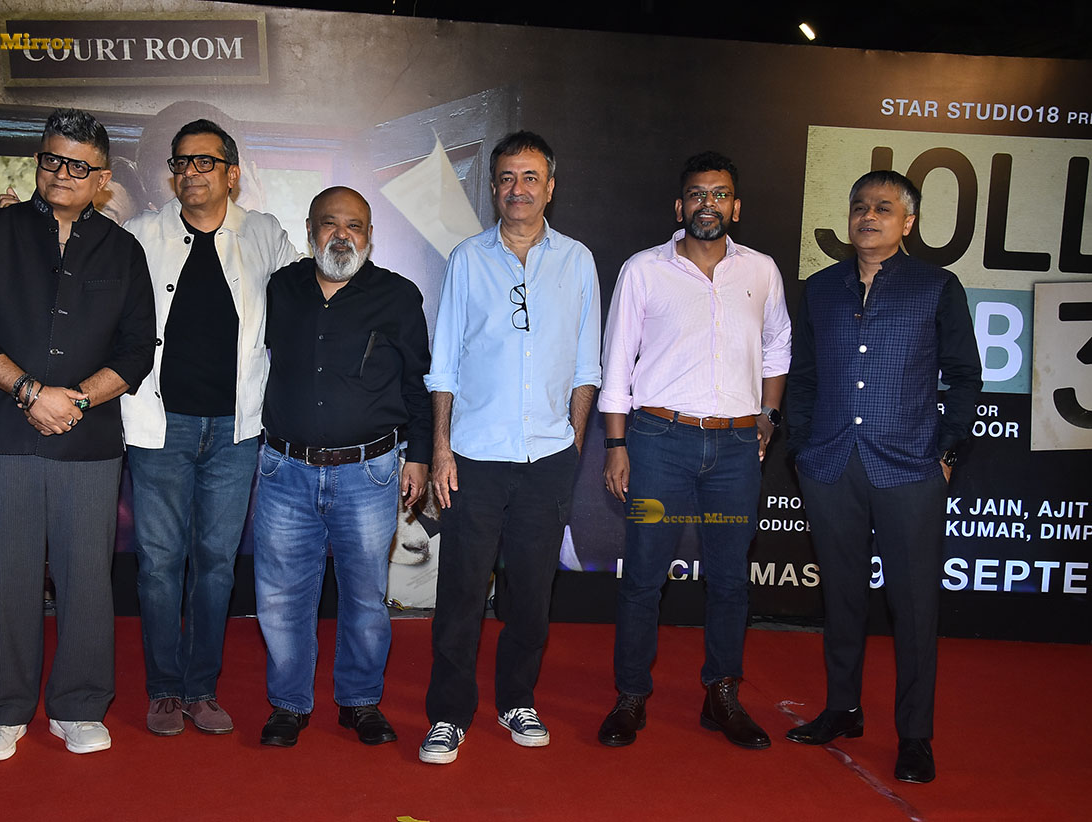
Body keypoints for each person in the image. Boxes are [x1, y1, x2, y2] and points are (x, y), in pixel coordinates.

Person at [0, 108, 155, 761]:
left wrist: (77, 399)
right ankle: (2, 713)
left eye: (77, 166)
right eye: (51, 160)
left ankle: (79, 706)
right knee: (5, 574)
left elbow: (137, 350)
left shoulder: (123, 251)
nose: (61, 174)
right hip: (7, 433)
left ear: (102, 177)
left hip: (88, 440)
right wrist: (30, 393)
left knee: (86, 575)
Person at [785, 170, 982, 783]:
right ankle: (843, 709)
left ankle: (915, 735)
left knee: (914, 606)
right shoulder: (821, 288)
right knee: (842, 597)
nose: (868, 216)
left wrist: (945, 454)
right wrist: (802, 448)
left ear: (908, 222)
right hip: (830, 464)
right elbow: (803, 376)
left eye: (884, 208)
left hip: (911, 467)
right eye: (860, 207)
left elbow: (965, 376)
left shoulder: (937, 286)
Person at [597, 151, 791, 750]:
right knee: (644, 575)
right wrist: (616, 443)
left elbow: (778, 346)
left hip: (735, 449)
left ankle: (722, 694)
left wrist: (769, 416)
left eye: (720, 194)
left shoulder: (761, 271)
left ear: (736, 206)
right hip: (658, 443)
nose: (709, 204)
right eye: (698, 194)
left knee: (731, 579)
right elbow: (615, 361)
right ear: (680, 206)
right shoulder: (644, 270)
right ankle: (631, 696)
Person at [419, 131, 601, 765]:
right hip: (473, 457)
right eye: (505, 178)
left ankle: (517, 699)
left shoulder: (578, 261)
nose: (517, 189)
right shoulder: (468, 259)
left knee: (530, 596)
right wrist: (442, 450)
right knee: (461, 594)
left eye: (529, 177)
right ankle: (448, 714)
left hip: (548, 459)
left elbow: (586, 367)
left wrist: (572, 447)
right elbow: (443, 365)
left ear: (550, 187)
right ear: (493, 188)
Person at [121, 119, 300, 736]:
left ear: (232, 173)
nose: (191, 172)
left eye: (205, 161)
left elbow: (310, 296)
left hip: (235, 430)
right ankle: (164, 689)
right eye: (181, 162)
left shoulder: (264, 233)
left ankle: (202, 688)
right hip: (159, 426)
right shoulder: (140, 234)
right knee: (158, 564)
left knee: (217, 563)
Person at [254, 186, 431, 748]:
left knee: (365, 597)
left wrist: (420, 457)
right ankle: (288, 704)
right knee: (281, 597)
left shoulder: (398, 296)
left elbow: (418, 384)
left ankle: (360, 702)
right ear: (310, 231)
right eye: (330, 224)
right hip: (284, 470)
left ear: (370, 235)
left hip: (368, 472)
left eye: (354, 225)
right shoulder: (280, 288)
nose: (342, 235)